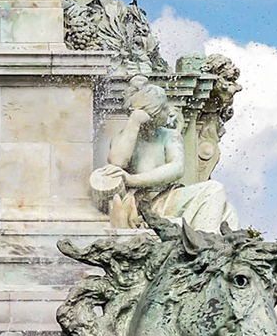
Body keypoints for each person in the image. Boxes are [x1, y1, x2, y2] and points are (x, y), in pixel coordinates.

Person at [90, 75, 240, 233]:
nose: (169, 112)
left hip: (166, 197)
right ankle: (201, 244)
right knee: (214, 189)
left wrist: (132, 179)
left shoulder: (169, 135)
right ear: (150, 115)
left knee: (228, 213)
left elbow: (176, 168)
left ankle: (201, 242)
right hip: (145, 205)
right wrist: (134, 122)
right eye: (162, 108)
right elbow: (117, 162)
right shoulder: (124, 138)